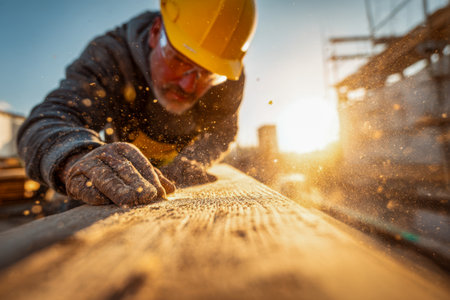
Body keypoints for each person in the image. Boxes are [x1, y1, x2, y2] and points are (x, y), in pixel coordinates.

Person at [17, 0, 257, 207]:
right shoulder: (110, 56)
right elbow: (49, 119)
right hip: (119, 170)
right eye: (179, 61)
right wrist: (75, 156)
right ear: (155, 33)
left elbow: (222, 132)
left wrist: (192, 161)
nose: (187, 85)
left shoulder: (225, 75)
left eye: (207, 74)